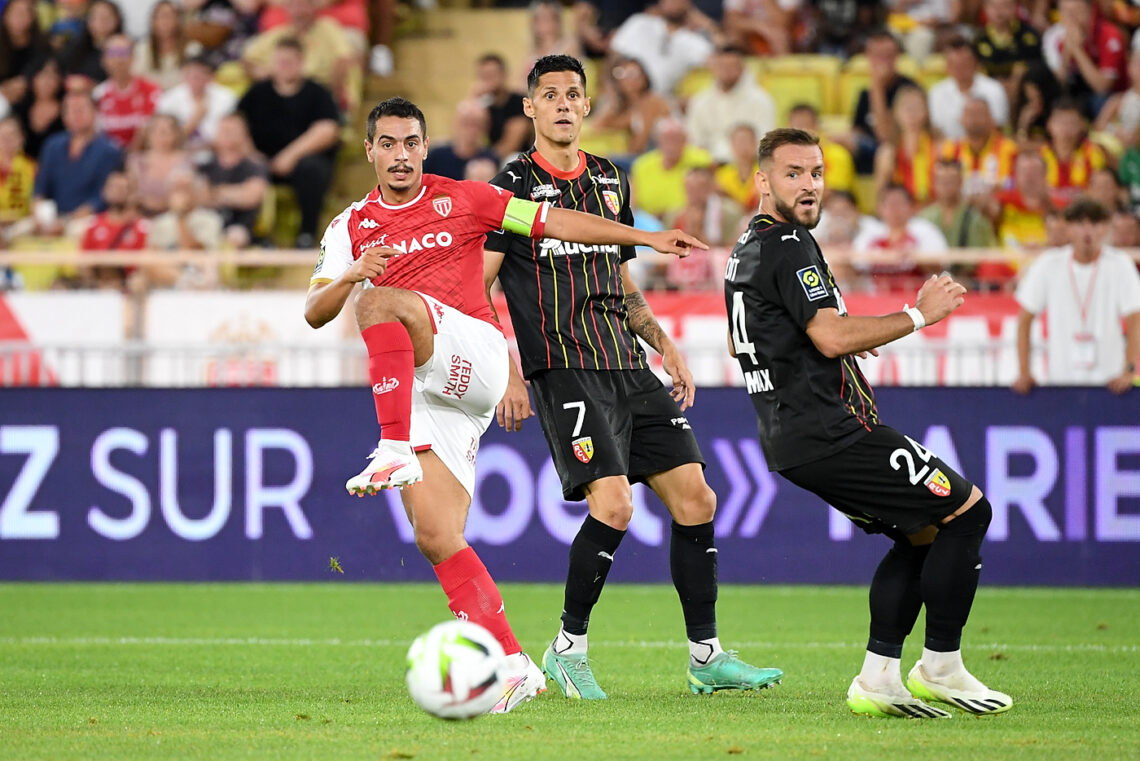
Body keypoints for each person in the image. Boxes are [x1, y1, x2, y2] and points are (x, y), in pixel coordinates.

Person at [302, 95, 705, 714]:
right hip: (429, 390)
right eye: (389, 144)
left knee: (380, 303)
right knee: (437, 535)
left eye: (412, 142)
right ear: (370, 151)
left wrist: (643, 237)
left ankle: (389, 447)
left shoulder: (464, 198)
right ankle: (514, 665)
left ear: (425, 144)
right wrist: (355, 270)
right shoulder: (350, 226)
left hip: (475, 353)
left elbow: (555, 222)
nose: (402, 155)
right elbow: (313, 311)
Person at [484, 54, 781, 701]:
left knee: (697, 498)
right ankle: (567, 648)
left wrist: (664, 342)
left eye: (573, 94)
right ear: (529, 108)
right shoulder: (510, 182)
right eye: (549, 95)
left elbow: (618, 281)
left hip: (625, 360)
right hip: (563, 366)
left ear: (587, 106)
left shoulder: (610, 180)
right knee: (614, 506)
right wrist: (507, 368)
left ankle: (706, 655)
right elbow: (478, 287)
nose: (563, 104)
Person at [724, 126, 1013, 720]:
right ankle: (941, 666)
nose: (809, 186)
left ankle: (879, 677)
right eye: (793, 174)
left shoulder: (749, 247)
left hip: (794, 436)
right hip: (831, 431)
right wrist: (915, 314)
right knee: (969, 511)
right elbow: (827, 332)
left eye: (817, 173)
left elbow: (797, 330)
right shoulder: (789, 245)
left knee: (923, 533)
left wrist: (851, 339)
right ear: (762, 180)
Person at [1013, 196, 1140, 392]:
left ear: (1105, 228)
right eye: (1080, 223)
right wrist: (1024, 371)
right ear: (1069, 227)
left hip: (1110, 383)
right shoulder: (1048, 264)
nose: (1087, 231)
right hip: (1061, 381)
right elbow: (1024, 319)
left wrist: (1129, 370)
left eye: (1095, 223)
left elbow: (1135, 320)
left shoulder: (1120, 264)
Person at [237, 37, 341, 247]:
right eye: (280, 61)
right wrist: (251, 155)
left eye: (290, 61)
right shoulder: (256, 93)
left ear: (302, 62)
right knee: (241, 168)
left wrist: (290, 156)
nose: (284, 66)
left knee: (313, 169)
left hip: (300, 165)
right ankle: (253, 236)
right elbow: (236, 124)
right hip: (260, 162)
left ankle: (306, 233)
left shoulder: (317, 93)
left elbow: (328, 129)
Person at [684, 45, 775, 165]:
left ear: (741, 68)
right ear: (714, 68)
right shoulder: (700, 101)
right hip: (709, 166)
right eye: (722, 66)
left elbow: (764, 142)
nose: (726, 71)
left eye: (731, 66)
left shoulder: (760, 100)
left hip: (746, 166)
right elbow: (694, 140)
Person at [609, 0, 714, 96]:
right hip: (621, 95)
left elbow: (722, 61)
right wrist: (609, 87)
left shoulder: (692, 41)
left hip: (660, 101)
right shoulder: (639, 23)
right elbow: (613, 56)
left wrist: (708, 25)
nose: (674, 2)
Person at [199, 112, 269, 249]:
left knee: (235, 236)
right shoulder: (205, 166)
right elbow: (199, 197)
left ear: (244, 135)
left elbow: (251, 197)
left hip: (240, 226)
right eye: (224, 130)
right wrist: (234, 193)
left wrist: (214, 192)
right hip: (207, 223)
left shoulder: (255, 165)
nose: (227, 135)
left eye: (232, 131)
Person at [927, 34, 1009, 141]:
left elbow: (998, 128)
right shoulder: (936, 92)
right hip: (950, 152)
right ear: (946, 66)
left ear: (975, 63)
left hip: (986, 150)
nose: (959, 69)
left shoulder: (994, 89)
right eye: (953, 64)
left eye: (964, 63)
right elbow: (937, 131)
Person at [92, 33, 161, 149]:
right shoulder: (98, 94)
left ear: (133, 57)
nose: (119, 59)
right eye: (113, 53)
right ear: (104, 60)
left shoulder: (151, 90)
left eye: (124, 53)